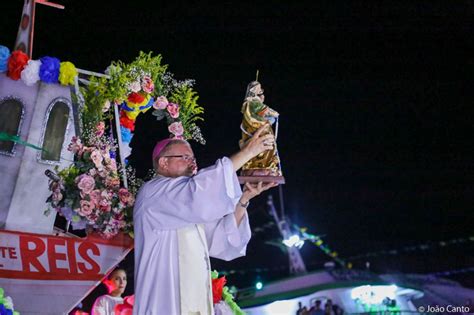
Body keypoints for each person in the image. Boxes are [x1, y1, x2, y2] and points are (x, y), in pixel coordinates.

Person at [133, 125, 277, 314]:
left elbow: (220, 240)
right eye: (185, 157)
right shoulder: (153, 192)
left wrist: (243, 200)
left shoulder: (185, 203)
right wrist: (248, 152)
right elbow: (198, 193)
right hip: (164, 303)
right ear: (163, 163)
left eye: (193, 158)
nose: (193, 163)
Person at [239, 80, 282, 177]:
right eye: (258, 88)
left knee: (267, 144)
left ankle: (265, 165)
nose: (260, 90)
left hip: (258, 126)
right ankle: (261, 166)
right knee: (266, 143)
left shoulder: (254, 101)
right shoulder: (252, 101)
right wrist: (274, 113)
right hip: (257, 128)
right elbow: (263, 110)